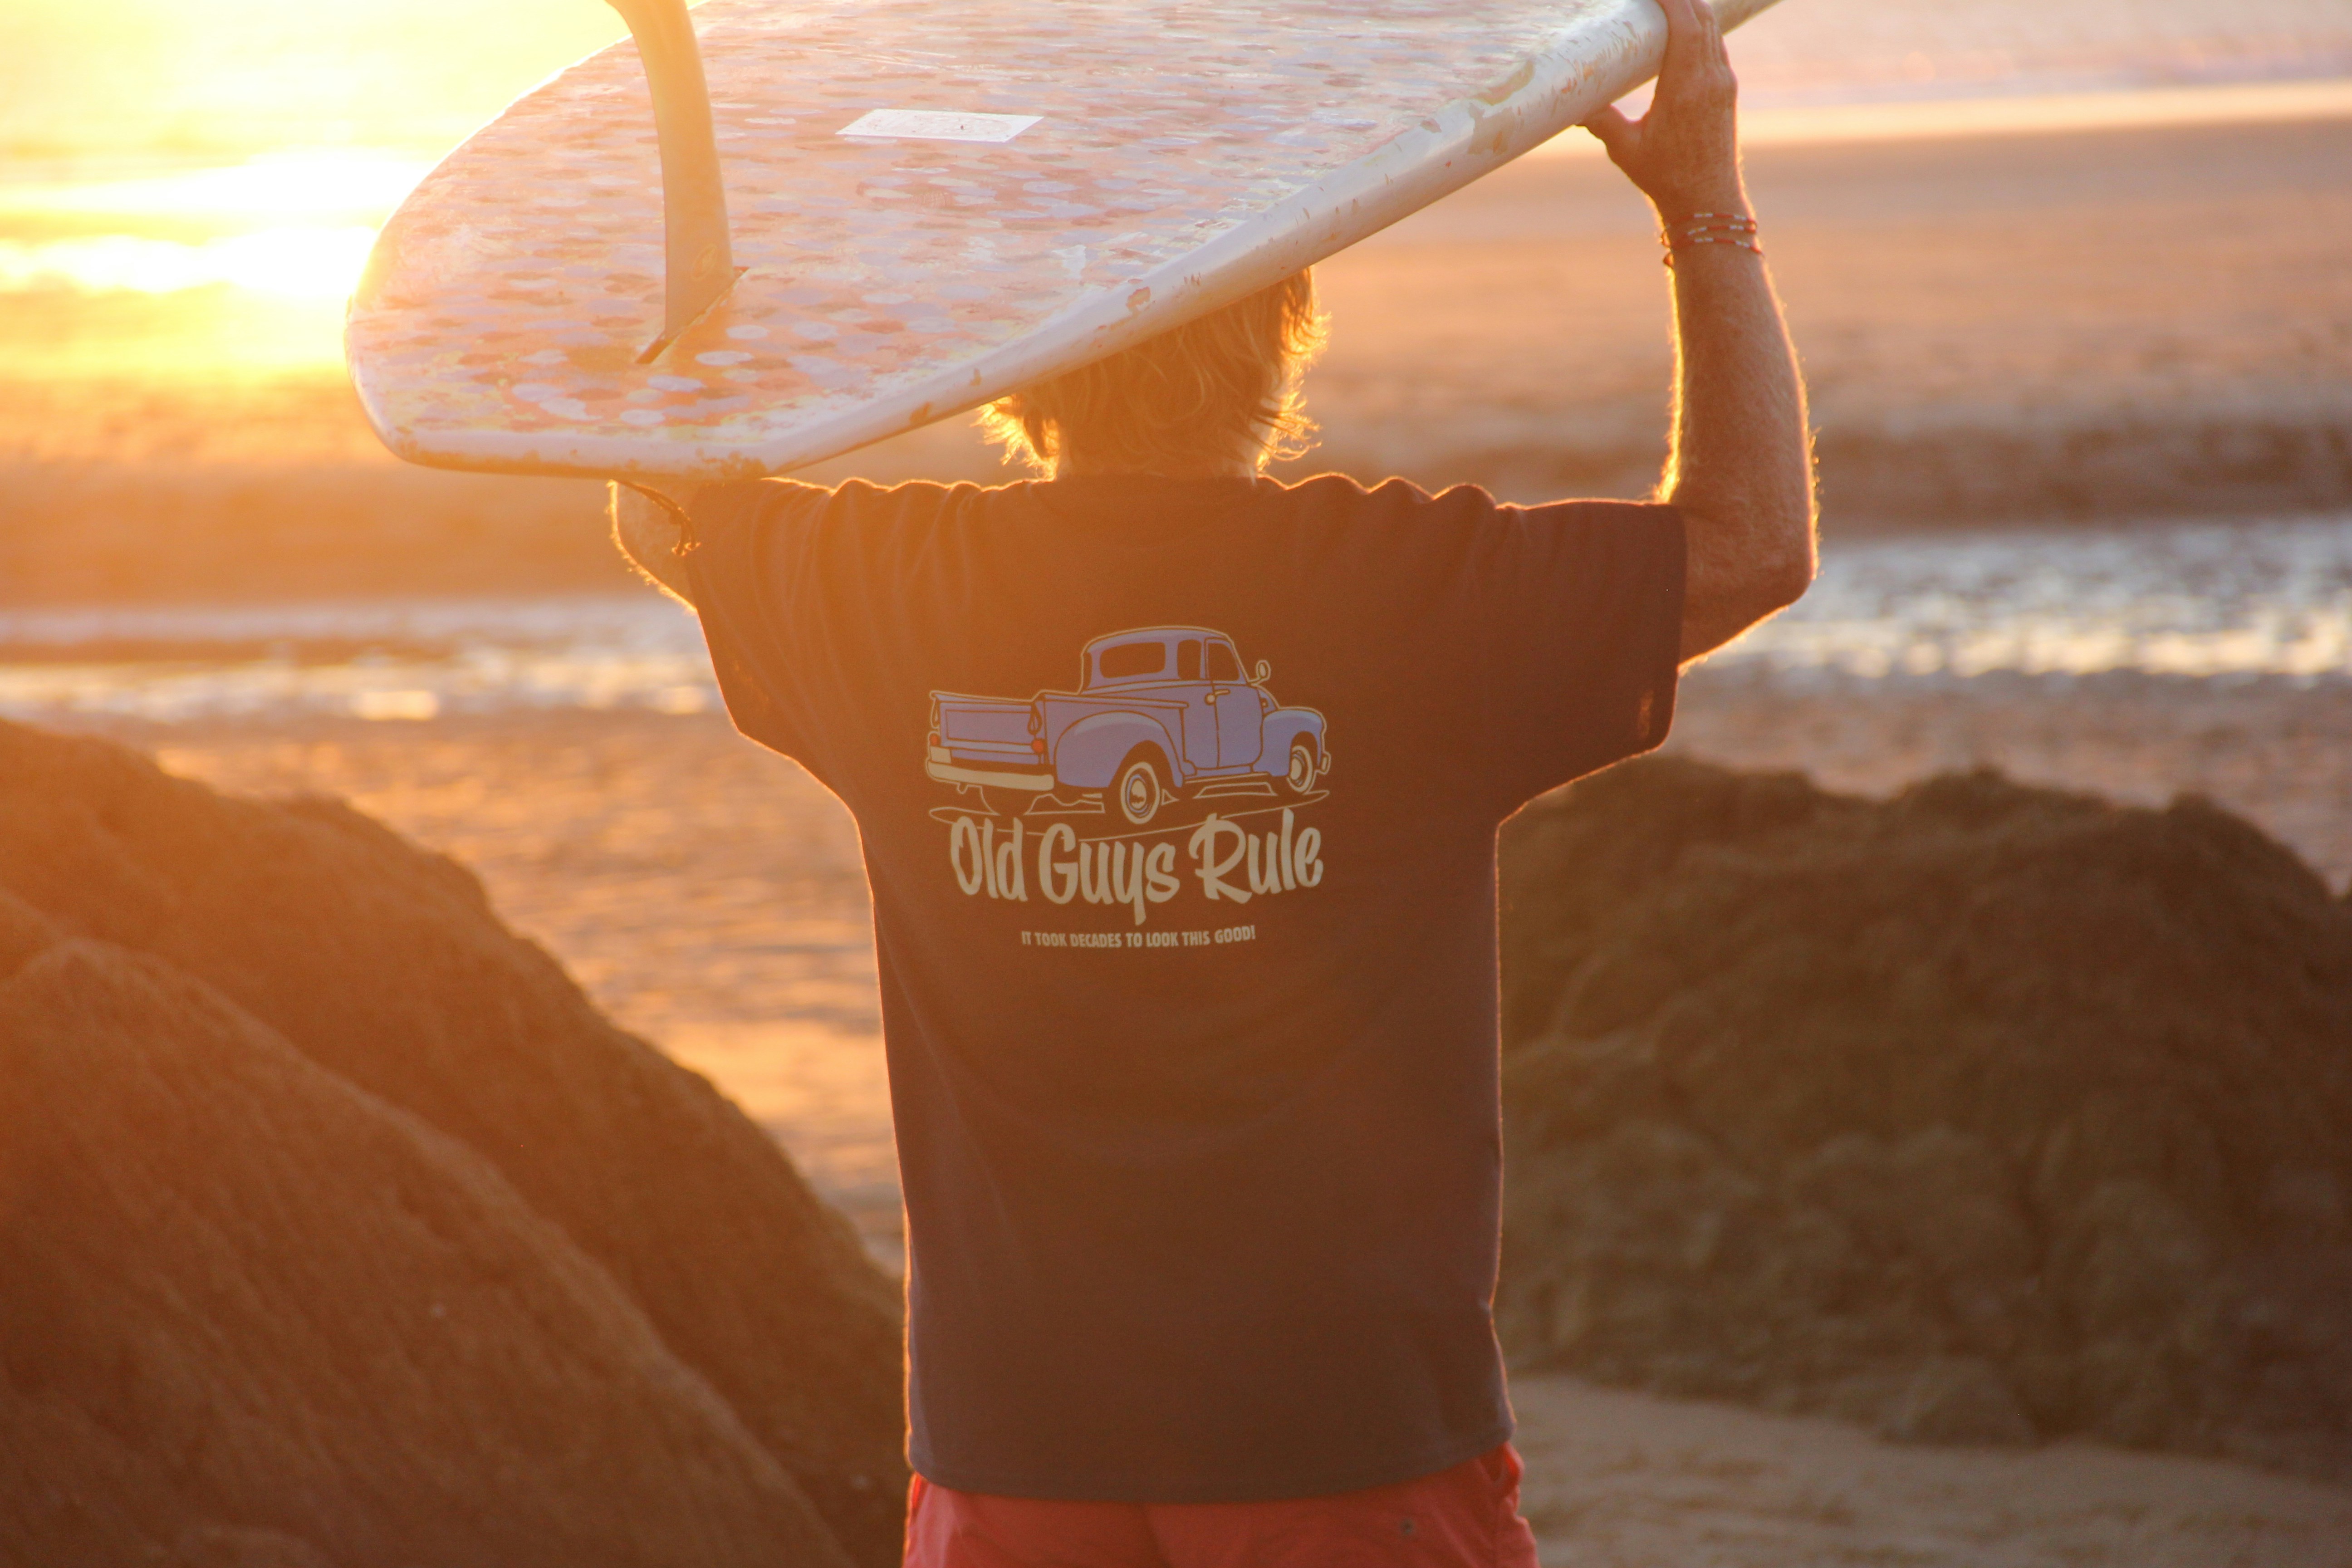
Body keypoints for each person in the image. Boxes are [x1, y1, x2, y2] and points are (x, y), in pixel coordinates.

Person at [612, 0, 1812, 1561]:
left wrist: (726, 210)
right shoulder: (1396, 586)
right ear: (1285, 318)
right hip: (1343, 1428)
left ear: (1028, 353)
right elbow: (1751, 545)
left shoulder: (890, 583)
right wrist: (1702, 205)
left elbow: (659, 510)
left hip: (1013, 1440)